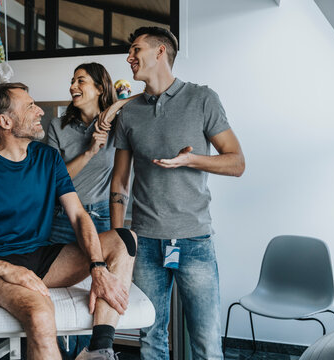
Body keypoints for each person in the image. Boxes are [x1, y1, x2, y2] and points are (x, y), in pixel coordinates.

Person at [0, 82, 138, 360]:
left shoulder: (48, 158)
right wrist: (6, 269)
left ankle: (99, 349)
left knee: (124, 239)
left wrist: (98, 266)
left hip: (40, 256)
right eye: (30, 106)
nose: (39, 111)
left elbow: (78, 215)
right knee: (41, 316)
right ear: (5, 121)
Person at [109, 27, 245, 360]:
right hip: (146, 243)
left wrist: (192, 160)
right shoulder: (129, 112)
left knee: (206, 341)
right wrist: (119, 236)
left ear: (160, 52)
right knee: (150, 337)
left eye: (135, 49)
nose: (129, 58)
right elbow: (119, 181)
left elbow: (237, 162)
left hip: (194, 240)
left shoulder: (202, 98)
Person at [46, 63, 133, 358]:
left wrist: (112, 109)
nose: (72, 86)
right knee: (57, 294)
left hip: (101, 218)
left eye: (80, 81)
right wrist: (89, 152)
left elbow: (149, 97)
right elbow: (54, 181)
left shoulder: (119, 125)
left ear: (99, 87)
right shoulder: (57, 127)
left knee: (90, 297)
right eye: (72, 80)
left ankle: (88, 354)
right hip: (61, 218)